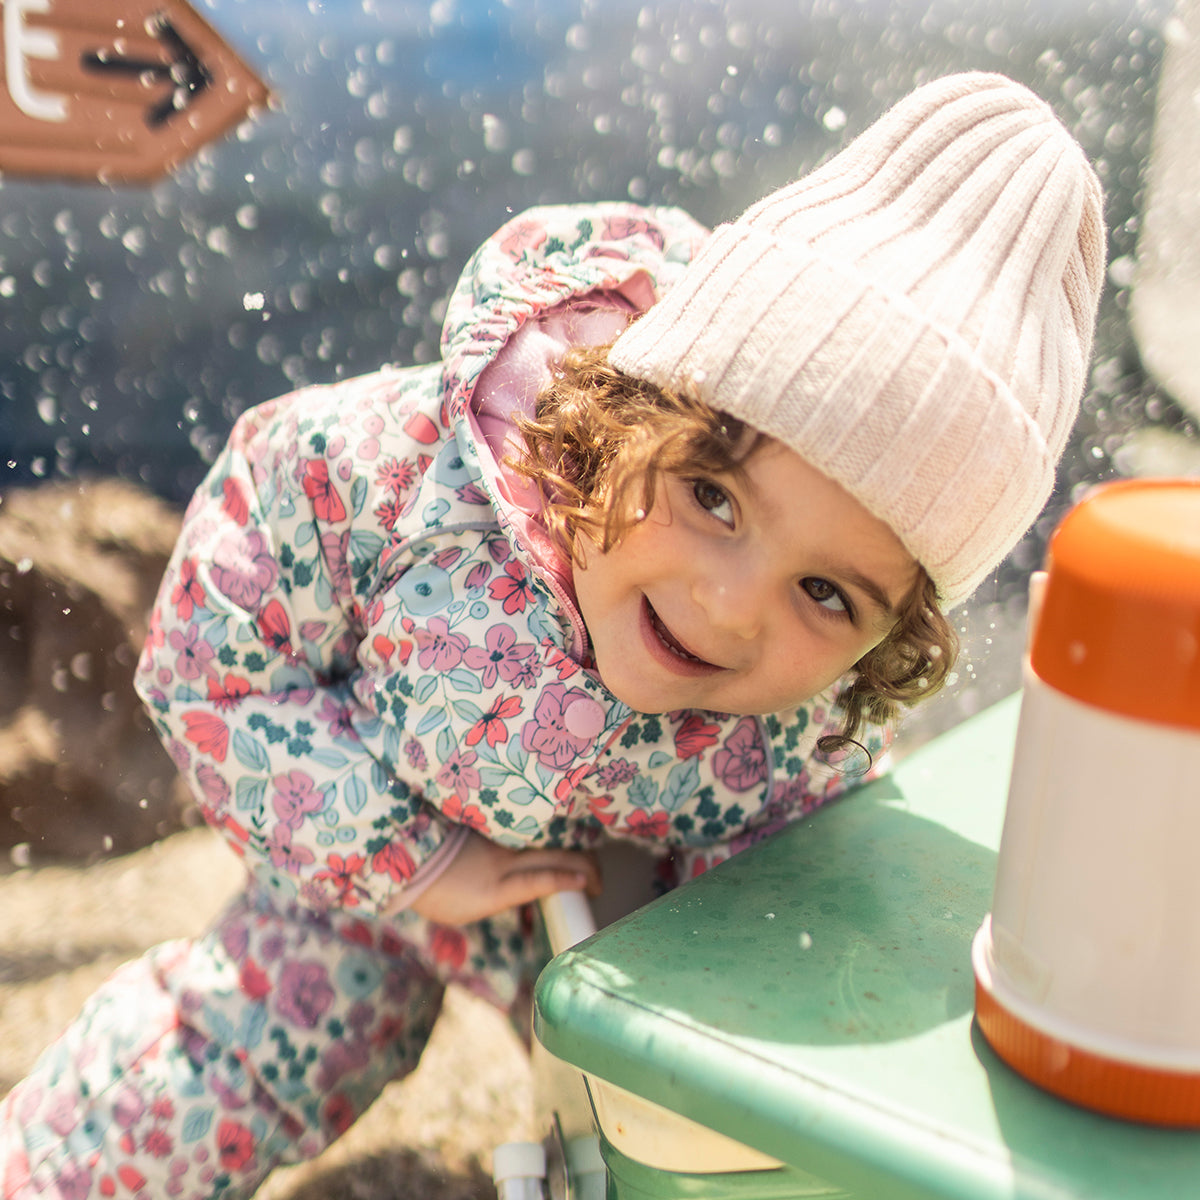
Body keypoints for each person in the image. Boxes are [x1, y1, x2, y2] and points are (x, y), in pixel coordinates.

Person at [1, 71, 1104, 1198]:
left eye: (826, 594)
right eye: (714, 498)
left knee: (690, 1120)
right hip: (364, 845)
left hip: (603, 910)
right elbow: (213, 660)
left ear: (890, 638)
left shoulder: (813, 731)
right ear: (635, 408)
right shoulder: (406, 482)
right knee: (258, 1048)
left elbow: (817, 908)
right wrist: (405, 860)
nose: (730, 605)